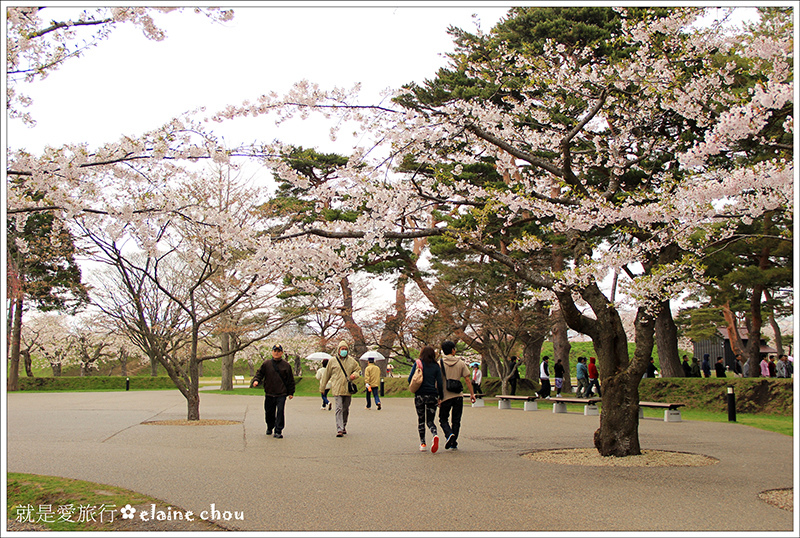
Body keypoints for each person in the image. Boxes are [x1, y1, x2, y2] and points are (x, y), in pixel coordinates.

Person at [438, 340, 476, 451]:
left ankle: (449, 434)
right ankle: (454, 442)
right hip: (458, 395)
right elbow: (468, 379)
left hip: (445, 396)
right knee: (456, 420)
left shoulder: (440, 363)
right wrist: (472, 394)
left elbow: (437, 382)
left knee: (443, 418)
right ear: (453, 350)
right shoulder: (461, 363)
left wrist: (438, 397)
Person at [251, 344, 295, 438]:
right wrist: (256, 380)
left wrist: (291, 392)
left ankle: (278, 430)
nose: (277, 353)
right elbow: (260, 373)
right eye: (275, 351)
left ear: (282, 353)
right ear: (272, 352)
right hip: (270, 392)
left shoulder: (286, 365)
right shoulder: (266, 364)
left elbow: (290, 380)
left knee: (280, 412)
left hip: (281, 393)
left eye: (279, 351)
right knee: (269, 412)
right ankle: (270, 426)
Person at [319, 340, 361, 437]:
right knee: (339, 408)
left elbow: (358, 370)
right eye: (342, 349)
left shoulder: (352, 361)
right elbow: (326, 375)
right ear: (338, 350)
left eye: (346, 349)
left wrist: (354, 375)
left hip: (347, 388)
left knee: (345, 409)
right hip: (337, 388)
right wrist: (322, 387)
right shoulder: (332, 361)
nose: (344, 351)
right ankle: (339, 429)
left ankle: (343, 425)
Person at [407, 346, 443, 453]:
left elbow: (410, 379)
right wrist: (440, 396)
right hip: (432, 395)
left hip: (420, 395)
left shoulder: (418, 364)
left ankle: (423, 443)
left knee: (421, 419)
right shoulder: (436, 366)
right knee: (430, 420)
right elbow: (440, 383)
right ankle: (434, 434)